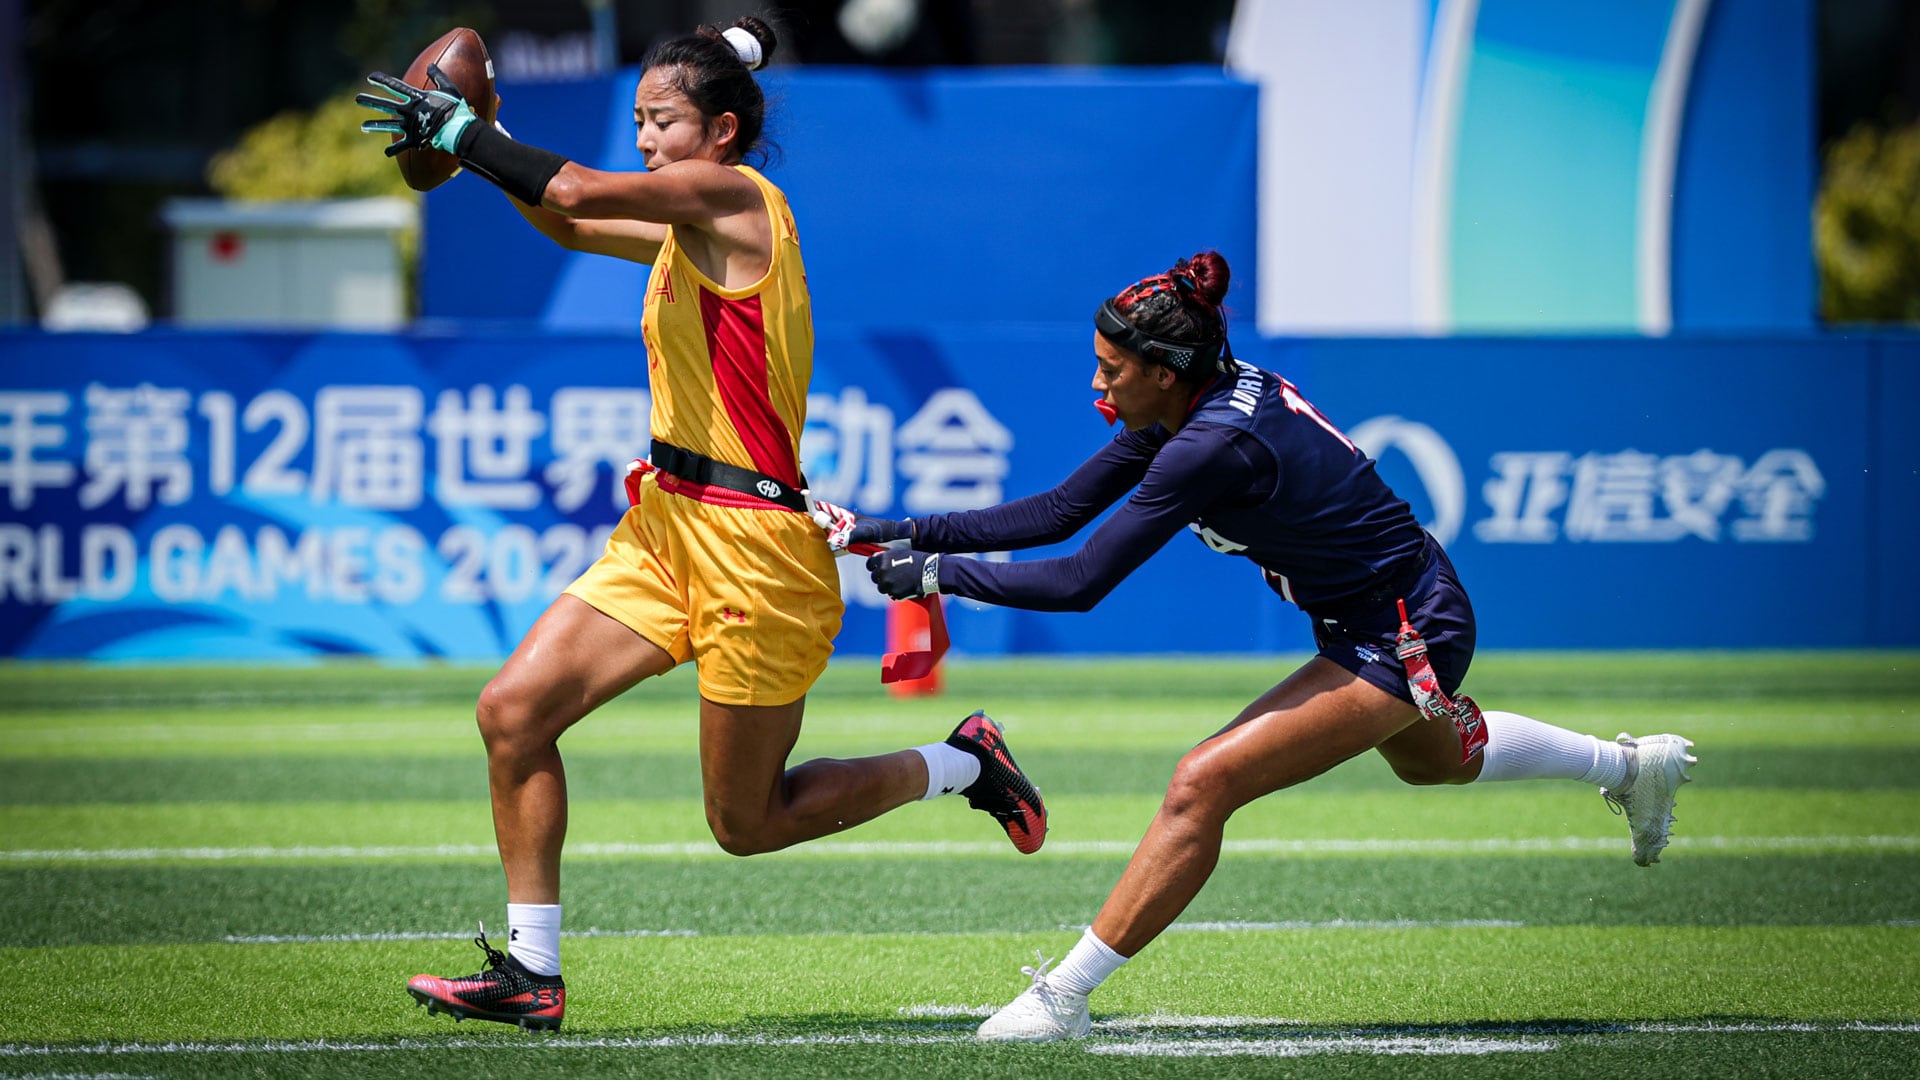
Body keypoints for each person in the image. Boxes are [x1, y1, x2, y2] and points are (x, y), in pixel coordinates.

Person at [355, 16, 1046, 1032]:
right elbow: (570, 222)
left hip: (755, 554)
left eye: (663, 121)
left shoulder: (739, 198)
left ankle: (964, 763)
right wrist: (480, 143)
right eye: (637, 119)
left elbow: (576, 192)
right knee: (513, 714)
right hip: (668, 527)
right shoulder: (689, 225)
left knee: (747, 823)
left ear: (722, 132)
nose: (644, 137)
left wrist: (465, 133)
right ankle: (532, 973)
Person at [845, 251, 1697, 1042]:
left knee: (1202, 782)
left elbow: (1081, 580)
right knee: (1440, 761)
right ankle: (1631, 768)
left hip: (1402, 626)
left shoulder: (1211, 444)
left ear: (1165, 371)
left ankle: (1062, 997)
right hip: (1381, 609)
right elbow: (1058, 511)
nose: (1096, 382)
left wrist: (937, 575)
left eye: (1111, 368)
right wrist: (887, 530)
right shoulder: (1189, 401)